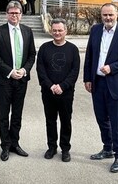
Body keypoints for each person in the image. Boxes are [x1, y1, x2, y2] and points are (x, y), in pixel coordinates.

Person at [83, 3, 118, 173]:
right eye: (104, 15)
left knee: (116, 123)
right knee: (102, 119)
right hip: (98, 84)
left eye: (110, 15)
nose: (107, 18)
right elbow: (89, 55)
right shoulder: (96, 30)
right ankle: (107, 148)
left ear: (117, 15)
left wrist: (112, 68)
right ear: (101, 16)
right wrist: (87, 78)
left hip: (117, 85)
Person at [0, 0, 36, 161]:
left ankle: (15, 143)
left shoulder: (27, 31)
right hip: (4, 80)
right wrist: (10, 72)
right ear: (6, 14)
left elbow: (32, 54)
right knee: (4, 115)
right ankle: (5, 146)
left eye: (17, 13)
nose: (14, 15)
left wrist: (24, 70)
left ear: (21, 15)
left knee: (17, 114)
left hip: (21, 80)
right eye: (11, 13)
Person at [36, 18, 79, 162]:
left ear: (65, 31)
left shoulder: (72, 49)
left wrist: (62, 86)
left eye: (60, 30)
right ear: (51, 31)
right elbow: (40, 70)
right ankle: (52, 147)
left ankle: (65, 149)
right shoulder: (44, 48)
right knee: (50, 120)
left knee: (66, 121)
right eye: (54, 30)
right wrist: (51, 86)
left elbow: (74, 72)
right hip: (48, 93)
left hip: (66, 93)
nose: (57, 33)